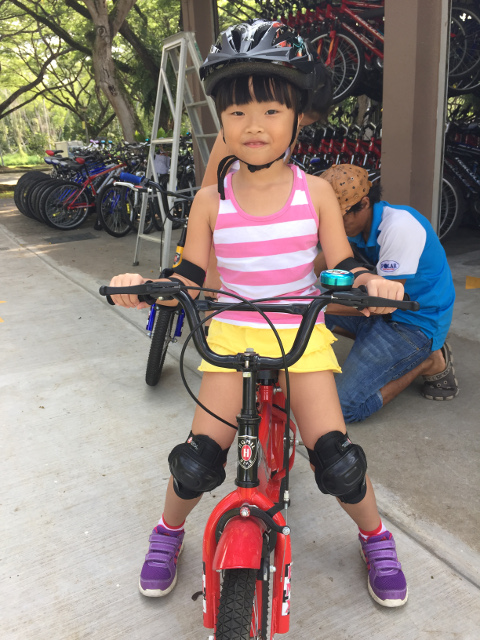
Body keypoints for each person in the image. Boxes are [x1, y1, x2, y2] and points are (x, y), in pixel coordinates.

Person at [109, 21, 408, 608]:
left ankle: (375, 537)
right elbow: (189, 276)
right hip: (232, 337)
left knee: (337, 460)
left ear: (298, 115)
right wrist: (144, 285)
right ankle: (167, 533)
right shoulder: (210, 200)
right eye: (238, 111)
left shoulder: (316, 193)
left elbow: (341, 267)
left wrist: (372, 282)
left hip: (302, 340)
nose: (254, 125)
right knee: (197, 462)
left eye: (271, 109)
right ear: (220, 120)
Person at [318, 164, 457, 424]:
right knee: (302, 315)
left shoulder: (400, 227)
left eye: (339, 217)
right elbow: (326, 257)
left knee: (342, 408)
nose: (333, 226)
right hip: (381, 314)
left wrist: (315, 304)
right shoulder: (357, 226)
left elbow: (385, 302)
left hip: (414, 322)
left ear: (364, 203)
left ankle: (427, 361)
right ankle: (377, 348)